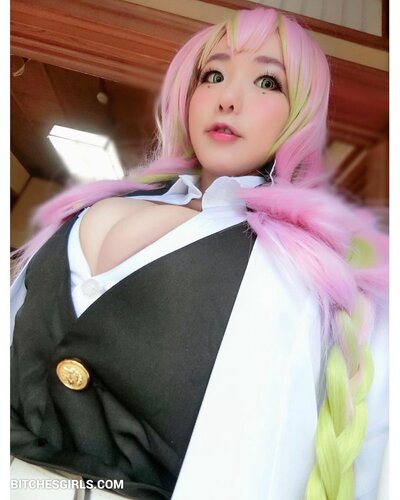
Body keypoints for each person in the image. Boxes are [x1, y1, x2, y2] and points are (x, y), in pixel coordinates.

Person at [10, 6, 388, 500]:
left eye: (268, 82)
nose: (228, 98)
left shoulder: (305, 274)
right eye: (213, 75)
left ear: (300, 115)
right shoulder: (95, 206)